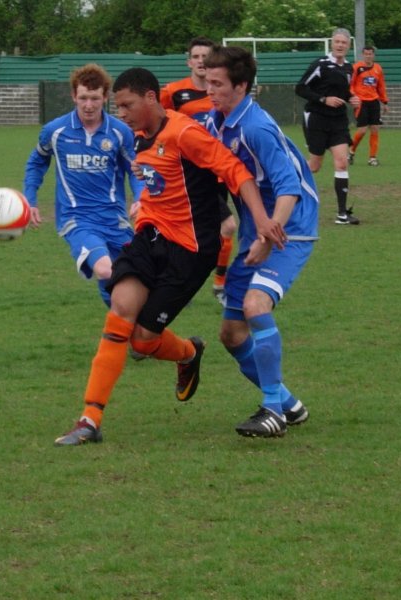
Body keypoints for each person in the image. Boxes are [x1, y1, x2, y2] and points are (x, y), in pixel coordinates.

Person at [54, 66, 286, 446]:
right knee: (120, 310)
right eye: (118, 106)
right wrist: (142, 204)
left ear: (149, 98)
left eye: (127, 105)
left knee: (143, 341)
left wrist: (261, 220)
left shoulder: (185, 132)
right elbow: (154, 181)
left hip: (190, 250)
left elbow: (236, 172)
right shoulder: (139, 137)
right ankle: (89, 419)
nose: (121, 113)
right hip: (150, 237)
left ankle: (189, 352)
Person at [204, 45, 319, 438]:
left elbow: (289, 187)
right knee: (231, 334)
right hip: (258, 230)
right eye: (207, 81)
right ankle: (288, 403)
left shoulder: (256, 127)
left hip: (291, 228)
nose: (210, 90)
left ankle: (272, 410)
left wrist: (271, 238)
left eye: (217, 84)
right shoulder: (216, 121)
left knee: (256, 305)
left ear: (241, 86)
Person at [23, 63, 143, 307]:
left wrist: (141, 198)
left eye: (95, 98)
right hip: (77, 220)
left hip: (115, 219)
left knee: (136, 281)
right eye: (84, 98)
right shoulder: (55, 131)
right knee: (106, 269)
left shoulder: (120, 132)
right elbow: (36, 162)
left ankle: (174, 346)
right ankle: (124, 335)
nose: (89, 105)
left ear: (105, 97)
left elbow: (136, 170)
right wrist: (30, 199)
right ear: (73, 96)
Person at [161, 36, 237, 304]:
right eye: (196, 57)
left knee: (205, 234)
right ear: (189, 61)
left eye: (206, 56)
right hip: (190, 175)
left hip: (219, 172)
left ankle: (180, 283)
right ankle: (219, 285)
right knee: (227, 226)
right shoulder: (173, 93)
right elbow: (158, 126)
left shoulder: (221, 93)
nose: (201, 61)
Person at [295, 28, 361, 225]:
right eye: (337, 42)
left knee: (342, 162)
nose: (340, 45)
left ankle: (342, 214)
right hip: (317, 118)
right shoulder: (320, 65)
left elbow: (344, 90)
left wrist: (352, 98)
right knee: (314, 166)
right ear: (332, 43)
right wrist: (324, 99)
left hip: (338, 121)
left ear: (349, 46)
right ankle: (285, 183)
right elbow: (300, 88)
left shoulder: (349, 68)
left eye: (344, 43)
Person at [348, 46, 389, 167]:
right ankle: (351, 151)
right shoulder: (357, 67)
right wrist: (353, 96)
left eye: (370, 54)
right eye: (366, 54)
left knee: (375, 129)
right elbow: (351, 84)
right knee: (362, 130)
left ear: (373, 55)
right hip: (361, 102)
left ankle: (372, 158)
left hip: (374, 102)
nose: (368, 56)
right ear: (363, 55)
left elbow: (381, 86)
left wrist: (385, 102)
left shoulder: (378, 68)